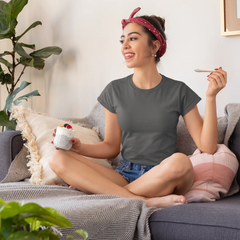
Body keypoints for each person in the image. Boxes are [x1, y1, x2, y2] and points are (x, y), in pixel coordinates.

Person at [49, 7, 227, 208]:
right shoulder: (114, 90)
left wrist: (211, 96)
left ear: (154, 46)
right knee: (58, 158)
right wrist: (81, 148)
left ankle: (103, 191)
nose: (124, 45)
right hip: (125, 174)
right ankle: (146, 201)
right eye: (122, 40)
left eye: (132, 39)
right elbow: (111, 146)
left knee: (181, 161)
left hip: (164, 174)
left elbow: (208, 147)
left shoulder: (179, 91)